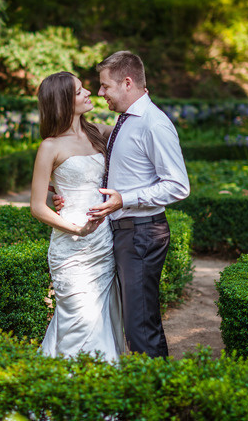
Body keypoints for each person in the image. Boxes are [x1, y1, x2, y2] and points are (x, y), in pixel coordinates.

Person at [67, 51, 190, 358]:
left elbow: (178, 185)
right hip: (125, 232)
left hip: (141, 233)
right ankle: (155, 389)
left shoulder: (153, 124)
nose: (100, 92)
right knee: (137, 321)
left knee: (139, 325)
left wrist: (126, 199)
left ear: (127, 82)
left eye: (105, 86)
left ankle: (153, 397)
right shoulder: (125, 121)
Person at [30, 71, 125, 362]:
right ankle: (63, 388)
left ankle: (102, 387)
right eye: (80, 91)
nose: (89, 94)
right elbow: (37, 206)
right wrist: (74, 226)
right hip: (71, 244)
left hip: (103, 241)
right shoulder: (49, 146)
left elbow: (133, 127)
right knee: (76, 317)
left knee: (104, 316)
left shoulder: (97, 132)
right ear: (63, 101)